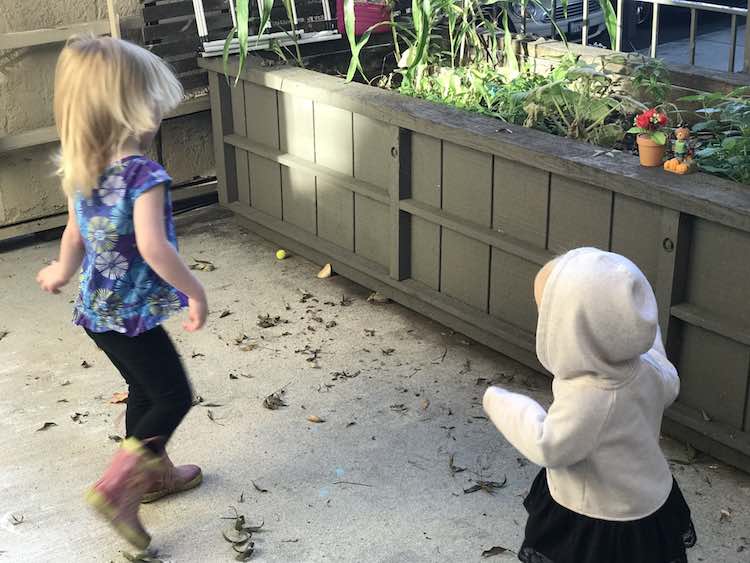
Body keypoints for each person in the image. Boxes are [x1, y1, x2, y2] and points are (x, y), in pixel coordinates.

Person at [36, 36, 209, 550]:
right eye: (154, 100)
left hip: (97, 314)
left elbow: (72, 234)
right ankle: (119, 487)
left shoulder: (82, 168)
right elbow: (156, 249)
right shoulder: (145, 176)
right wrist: (195, 291)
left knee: (143, 389)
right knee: (174, 394)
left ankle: (154, 476)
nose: (158, 111)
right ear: (132, 108)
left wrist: (60, 272)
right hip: (132, 315)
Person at [483, 248, 696, 563]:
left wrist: (499, 402)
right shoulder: (648, 367)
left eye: (548, 316)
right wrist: (643, 330)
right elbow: (667, 375)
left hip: (596, 516)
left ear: (573, 330)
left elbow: (549, 445)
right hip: (649, 501)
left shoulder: (591, 397)